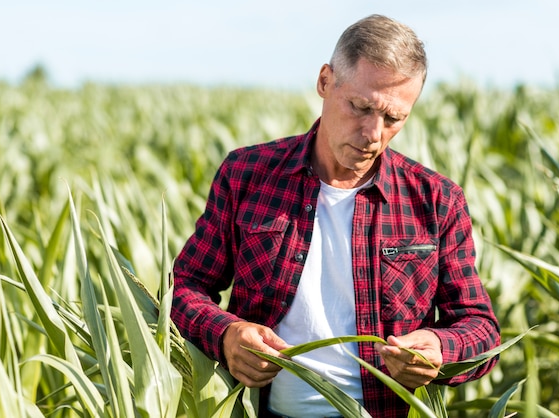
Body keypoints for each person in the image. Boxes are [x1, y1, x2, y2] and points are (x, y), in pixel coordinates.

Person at [171, 14, 500, 418]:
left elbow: (481, 328)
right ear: (325, 81)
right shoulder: (247, 174)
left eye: (393, 118)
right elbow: (184, 287)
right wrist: (225, 335)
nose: (372, 133)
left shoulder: (436, 199)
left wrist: (438, 348)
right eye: (360, 107)